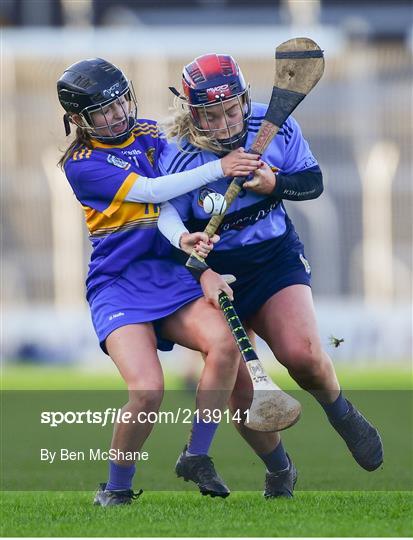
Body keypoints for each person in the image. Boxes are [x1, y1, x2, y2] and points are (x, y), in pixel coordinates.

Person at [158, 53, 384, 497]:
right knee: (240, 390)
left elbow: (313, 182)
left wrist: (274, 186)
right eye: (211, 115)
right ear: (191, 113)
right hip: (214, 272)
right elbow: (168, 235)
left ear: (244, 100)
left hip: (273, 257)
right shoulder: (176, 158)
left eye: (231, 110)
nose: (225, 124)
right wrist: (202, 272)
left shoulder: (273, 125)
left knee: (302, 355)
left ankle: (341, 412)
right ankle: (280, 469)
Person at [57, 57, 262, 506]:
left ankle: (198, 454)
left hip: (169, 275)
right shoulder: (81, 164)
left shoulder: (152, 134)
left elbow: (164, 204)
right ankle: (116, 487)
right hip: (118, 284)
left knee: (226, 343)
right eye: (100, 113)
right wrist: (221, 168)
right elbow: (150, 192)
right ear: (77, 121)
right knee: (148, 390)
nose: (115, 116)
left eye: (118, 104)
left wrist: (181, 238)